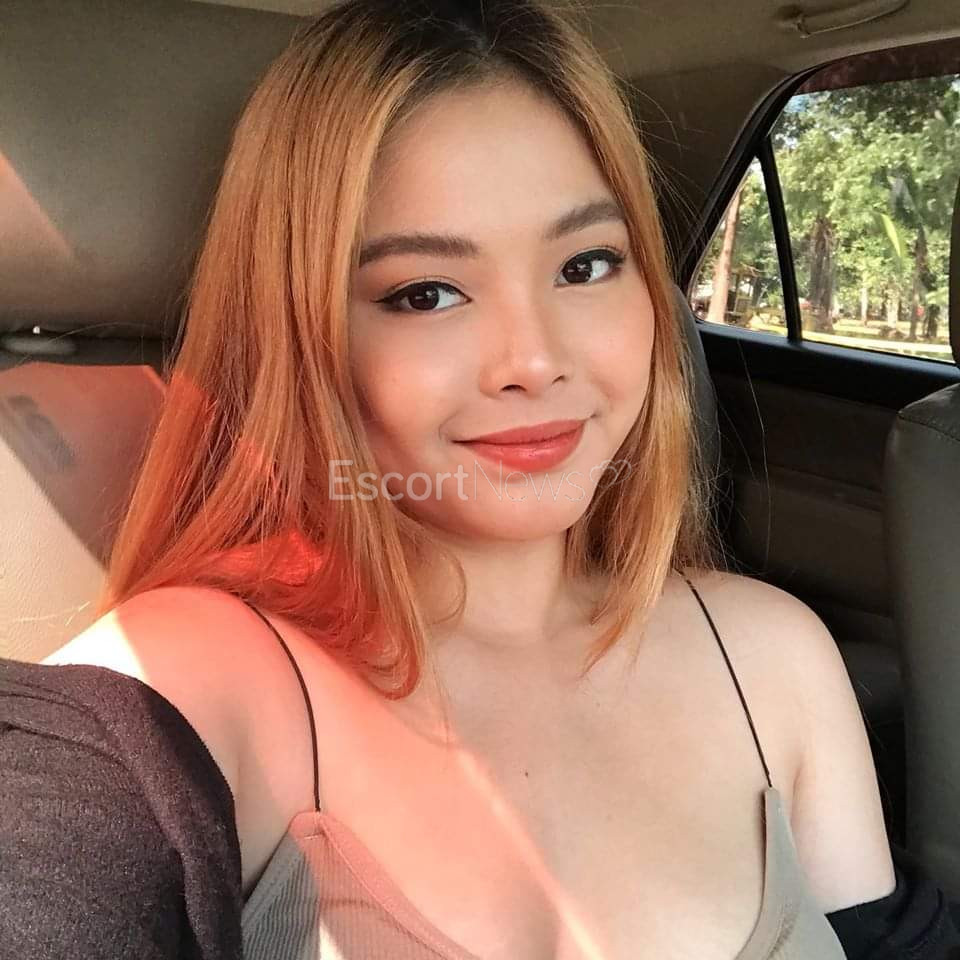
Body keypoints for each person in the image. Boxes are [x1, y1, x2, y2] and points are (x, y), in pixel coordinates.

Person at [1, 1, 958, 958]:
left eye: (586, 264)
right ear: (303, 335)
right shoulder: (194, 683)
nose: (534, 360)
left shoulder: (776, 657)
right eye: (425, 293)